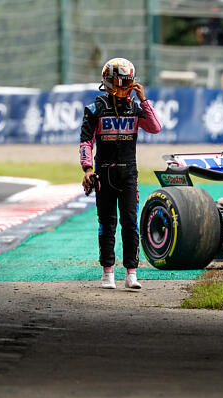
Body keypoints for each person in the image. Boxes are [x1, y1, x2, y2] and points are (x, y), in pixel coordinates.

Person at [79, 57, 162, 290]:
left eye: (127, 82)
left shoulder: (136, 108)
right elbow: (86, 142)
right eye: (119, 82)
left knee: (130, 223)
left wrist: (144, 100)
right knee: (106, 224)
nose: (123, 87)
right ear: (107, 82)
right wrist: (87, 169)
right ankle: (107, 272)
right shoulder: (94, 109)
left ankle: (131, 272)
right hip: (103, 174)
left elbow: (155, 128)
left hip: (129, 175)